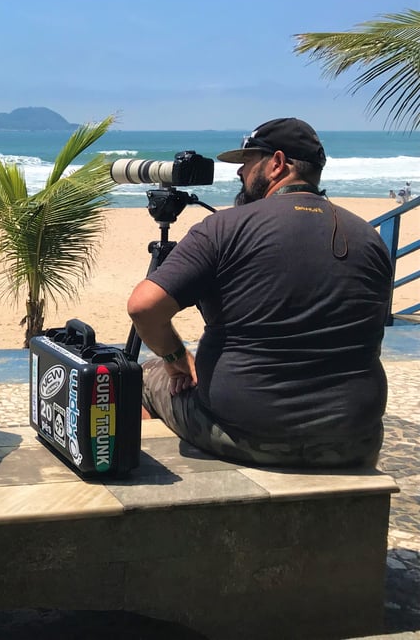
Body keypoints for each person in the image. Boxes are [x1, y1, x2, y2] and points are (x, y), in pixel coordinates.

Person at [127, 118, 393, 468]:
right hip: (354, 436)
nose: (239, 173)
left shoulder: (223, 228)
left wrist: (177, 358)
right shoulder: (369, 238)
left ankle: (154, 495)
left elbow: (144, 308)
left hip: (246, 432)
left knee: (144, 375)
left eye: (247, 162)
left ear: (277, 164)